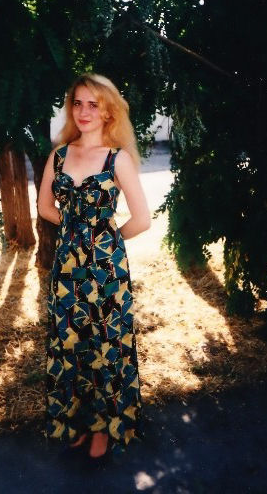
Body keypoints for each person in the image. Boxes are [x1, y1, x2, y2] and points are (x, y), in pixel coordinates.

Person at [37, 73, 151, 459]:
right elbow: (44, 207)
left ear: (108, 111)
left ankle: (105, 426)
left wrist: (107, 240)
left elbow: (142, 219)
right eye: (77, 103)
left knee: (106, 345)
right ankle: (77, 421)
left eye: (93, 104)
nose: (84, 111)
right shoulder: (59, 155)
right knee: (70, 343)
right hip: (67, 268)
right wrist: (75, 230)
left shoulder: (118, 158)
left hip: (106, 270)